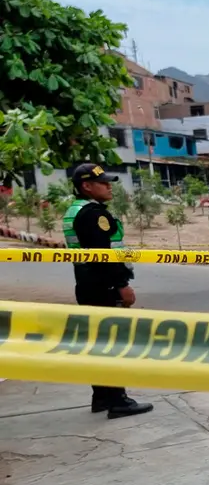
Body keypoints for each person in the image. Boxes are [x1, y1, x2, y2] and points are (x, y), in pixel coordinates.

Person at [64, 163, 154, 419]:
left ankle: (102, 396)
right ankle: (118, 400)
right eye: (103, 182)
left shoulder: (75, 210)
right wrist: (122, 285)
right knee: (112, 342)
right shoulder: (94, 214)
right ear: (86, 186)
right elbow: (105, 256)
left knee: (98, 341)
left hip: (86, 283)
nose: (109, 186)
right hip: (103, 285)